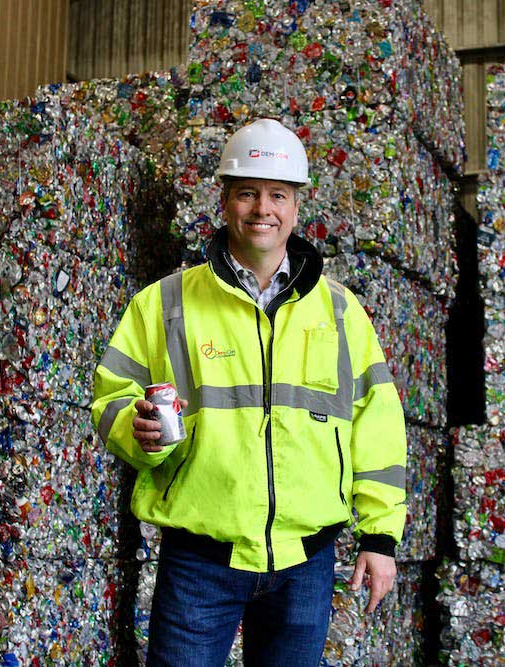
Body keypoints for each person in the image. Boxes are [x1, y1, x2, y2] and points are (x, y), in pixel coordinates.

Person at [91, 118, 407, 666]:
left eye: (277, 195)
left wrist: (380, 537)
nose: (263, 208)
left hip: (304, 561)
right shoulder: (163, 303)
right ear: (225, 201)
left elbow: (377, 425)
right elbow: (110, 398)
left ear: (296, 207)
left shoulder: (339, 311)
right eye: (247, 193)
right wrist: (134, 428)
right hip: (199, 559)